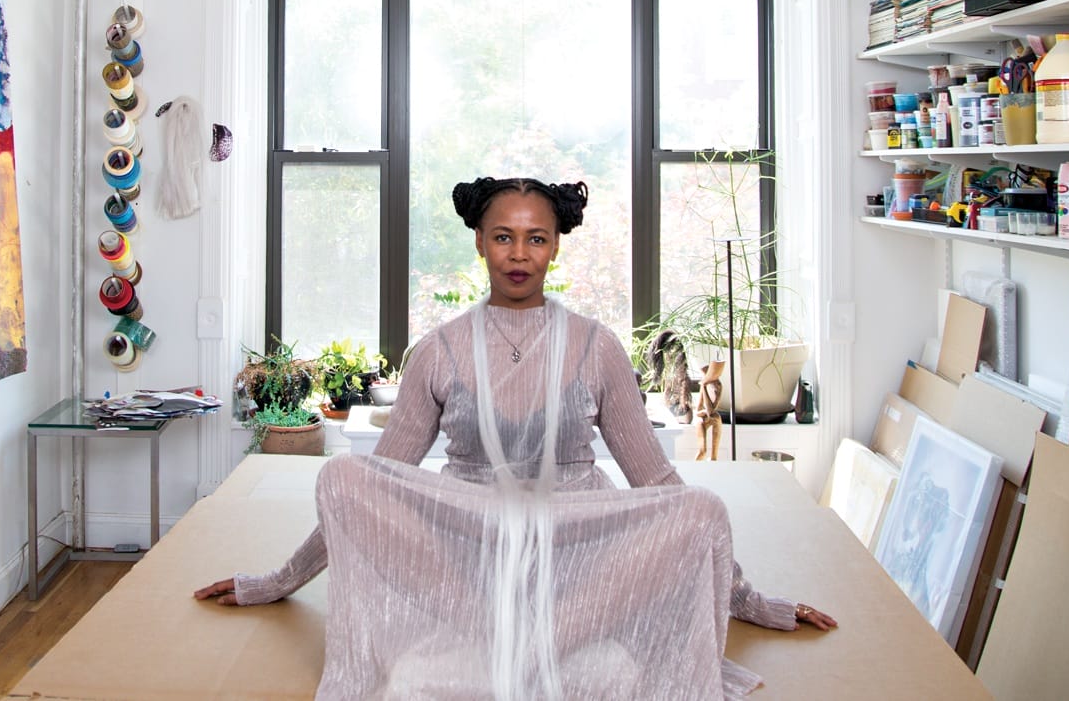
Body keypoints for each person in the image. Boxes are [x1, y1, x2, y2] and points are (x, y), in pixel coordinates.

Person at [195, 177, 834, 693]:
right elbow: (380, 485)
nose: (519, 254)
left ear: (556, 246)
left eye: (536, 239)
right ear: (479, 243)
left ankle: (525, 641)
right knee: (342, 476)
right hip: (469, 551)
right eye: (503, 237)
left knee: (701, 508)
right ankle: (529, 640)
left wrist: (749, 598)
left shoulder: (597, 346)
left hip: (579, 553)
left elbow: (658, 482)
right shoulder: (439, 351)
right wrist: (276, 581)